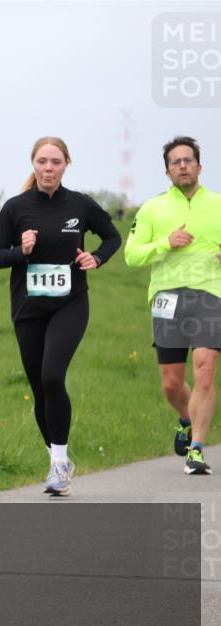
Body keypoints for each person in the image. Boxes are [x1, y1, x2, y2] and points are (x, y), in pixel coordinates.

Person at [0, 137, 121, 496]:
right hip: (28, 308)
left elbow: (112, 237)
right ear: (33, 164)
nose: (49, 168)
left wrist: (96, 257)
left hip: (70, 303)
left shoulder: (80, 204)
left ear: (66, 165)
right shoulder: (15, 208)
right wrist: (22, 250)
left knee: (52, 376)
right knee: (38, 389)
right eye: (43, 161)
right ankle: (57, 458)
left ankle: (59, 465)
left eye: (56, 162)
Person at [124, 136, 220, 475]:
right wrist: (166, 242)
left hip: (211, 293)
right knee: (171, 381)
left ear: (199, 166)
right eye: (176, 162)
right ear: (167, 171)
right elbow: (132, 255)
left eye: (188, 160)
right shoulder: (153, 208)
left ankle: (197, 448)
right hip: (167, 296)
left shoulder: (219, 204)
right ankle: (185, 419)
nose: (183, 165)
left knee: (206, 369)